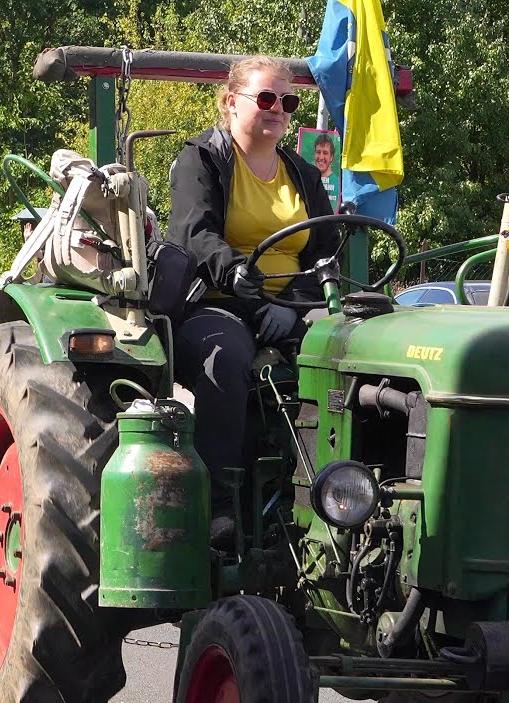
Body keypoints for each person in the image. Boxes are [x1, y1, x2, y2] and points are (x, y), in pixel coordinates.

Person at [167, 55, 340, 548]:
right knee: (226, 357)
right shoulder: (202, 159)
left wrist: (298, 303)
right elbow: (194, 234)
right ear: (230, 102)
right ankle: (220, 506)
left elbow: (324, 248)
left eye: (288, 101)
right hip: (218, 301)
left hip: (290, 305)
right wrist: (240, 277)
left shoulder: (302, 174)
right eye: (266, 98)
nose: (278, 108)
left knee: (347, 349)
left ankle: (335, 491)